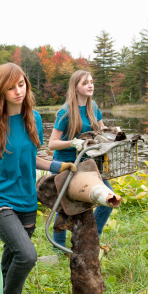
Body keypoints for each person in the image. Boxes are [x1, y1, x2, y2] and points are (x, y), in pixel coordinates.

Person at [0, 63, 76, 294]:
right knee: (27, 255)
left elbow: (32, 159)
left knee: (11, 256)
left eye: (21, 84)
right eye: (11, 87)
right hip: (0, 200)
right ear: (1, 90)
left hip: (27, 200)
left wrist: (59, 166)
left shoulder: (34, 119)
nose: (18, 91)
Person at [48, 69, 113, 251]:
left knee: (109, 198)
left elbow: (101, 131)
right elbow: (52, 144)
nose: (90, 85)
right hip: (67, 165)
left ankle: (92, 238)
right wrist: (74, 143)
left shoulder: (94, 108)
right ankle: (59, 248)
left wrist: (114, 133)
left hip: (89, 164)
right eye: (85, 83)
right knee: (64, 209)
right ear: (75, 87)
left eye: (91, 82)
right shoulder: (65, 111)